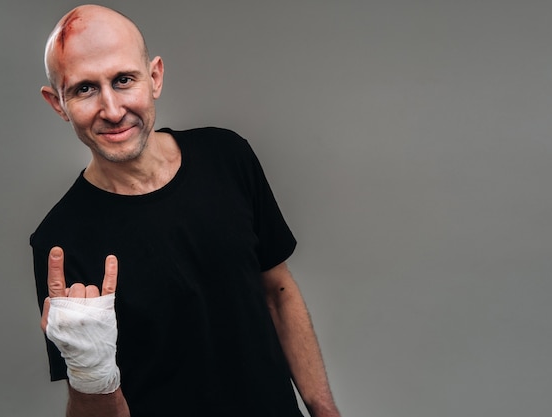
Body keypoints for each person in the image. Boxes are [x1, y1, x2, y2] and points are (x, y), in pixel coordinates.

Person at [31, 4, 341, 417]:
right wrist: (91, 373)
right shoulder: (59, 242)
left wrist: (324, 410)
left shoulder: (227, 156)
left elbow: (278, 292)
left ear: (154, 76)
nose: (111, 109)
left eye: (124, 80)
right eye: (85, 89)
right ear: (58, 103)